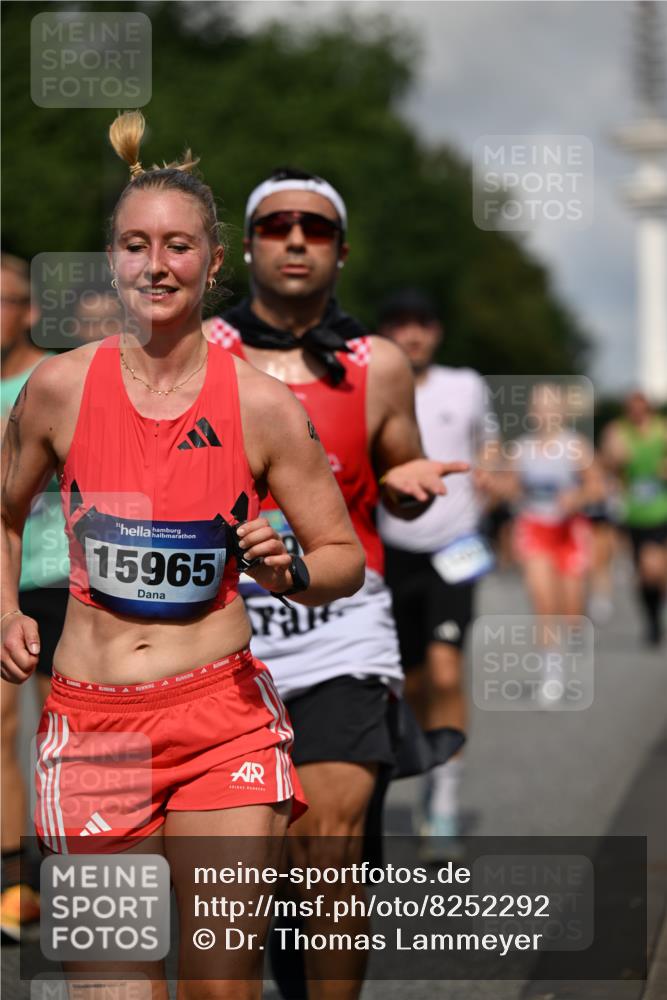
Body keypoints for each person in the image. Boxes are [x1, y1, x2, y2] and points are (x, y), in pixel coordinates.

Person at [0, 114, 365, 1000]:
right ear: (112, 261)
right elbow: (5, 516)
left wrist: (287, 570)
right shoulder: (56, 387)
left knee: (218, 982)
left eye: (177, 246)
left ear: (213, 262)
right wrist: (5, 609)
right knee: (112, 984)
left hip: (221, 721)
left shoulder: (263, 405)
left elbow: (341, 557)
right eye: (135, 245)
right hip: (91, 726)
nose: (156, 265)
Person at [204, 168, 468, 1000]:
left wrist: (405, 486)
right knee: (247, 867)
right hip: (220, 633)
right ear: (246, 246)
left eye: (314, 229)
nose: (295, 240)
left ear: (341, 252)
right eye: (276, 224)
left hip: (340, 627)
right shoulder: (197, 352)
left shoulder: (378, 365)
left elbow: (395, 470)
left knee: (328, 844)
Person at [376, 289, 497, 846]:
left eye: (422, 324)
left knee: (447, 670)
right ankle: (430, 765)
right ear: (386, 334)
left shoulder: (466, 385)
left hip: (456, 547)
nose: (413, 335)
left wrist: (494, 475)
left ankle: (445, 802)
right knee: (414, 680)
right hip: (394, 549)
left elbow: (488, 447)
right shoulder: (372, 386)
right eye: (401, 324)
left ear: (437, 332)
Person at [0, 253, 69, 940]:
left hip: (55, 573)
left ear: (29, 311)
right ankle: (12, 884)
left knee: (62, 733)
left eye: (2, 301)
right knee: (0, 728)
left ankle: (66, 868)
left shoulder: (54, 381)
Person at [502, 383, 600, 705]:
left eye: (551, 406)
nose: (545, 412)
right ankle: (551, 675)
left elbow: (597, 486)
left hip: (570, 531)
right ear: (532, 412)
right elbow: (509, 488)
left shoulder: (576, 446)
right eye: (539, 406)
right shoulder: (521, 449)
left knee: (571, 611)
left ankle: (572, 631)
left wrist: (578, 497)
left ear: (562, 411)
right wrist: (494, 486)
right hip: (535, 529)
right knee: (544, 604)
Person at [602, 391, 667, 645]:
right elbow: (606, 463)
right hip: (635, 512)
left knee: (658, 568)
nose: (636, 414)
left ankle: (657, 615)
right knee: (646, 573)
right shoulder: (618, 431)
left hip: (662, 508)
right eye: (632, 409)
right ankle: (652, 619)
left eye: (641, 409)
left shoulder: (661, 429)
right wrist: (615, 459)